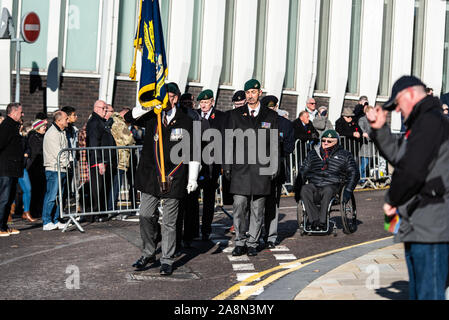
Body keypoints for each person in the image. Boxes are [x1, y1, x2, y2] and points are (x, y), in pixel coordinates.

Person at [366, 75, 449, 300]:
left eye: (398, 104)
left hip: (431, 223)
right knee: (420, 292)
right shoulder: (422, 123)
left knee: (428, 293)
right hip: (421, 222)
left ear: (410, 94)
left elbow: (412, 170)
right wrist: (380, 129)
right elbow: (400, 157)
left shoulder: (430, 122)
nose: (398, 111)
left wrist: (391, 200)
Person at [128, 88, 200, 276]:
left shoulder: (187, 121)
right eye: (162, 96)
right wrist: (148, 105)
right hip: (151, 176)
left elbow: (194, 150)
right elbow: (130, 117)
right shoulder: (153, 116)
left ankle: (167, 259)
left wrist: (192, 177)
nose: (166, 99)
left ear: (176, 99)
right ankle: (148, 252)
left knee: (170, 221)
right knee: (145, 215)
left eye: (169, 96)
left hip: (174, 176)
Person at [223, 79, 279, 257]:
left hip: (262, 169)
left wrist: (274, 166)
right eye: (247, 93)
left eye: (253, 92)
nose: (250, 95)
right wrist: (227, 166)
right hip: (240, 169)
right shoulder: (235, 114)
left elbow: (274, 144)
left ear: (259, 93)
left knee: (257, 208)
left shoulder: (270, 116)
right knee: (239, 205)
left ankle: (253, 242)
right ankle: (239, 241)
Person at [294, 129, 359, 231]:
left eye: (329, 141)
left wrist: (348, 190)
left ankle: (322, 222)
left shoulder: (345, 155)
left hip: (333, 185)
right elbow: (303, 171)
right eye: (323, 140)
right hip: (315, 185)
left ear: (336, 141)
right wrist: (297, 189)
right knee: (305, 189)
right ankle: (314, 221)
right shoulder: (312, 154)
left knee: (327, 190)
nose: (325, 143)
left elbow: (354, 173)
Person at [261, 95, 295, 248]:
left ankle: (270, 237)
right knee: (255, 204)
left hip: (276, 168)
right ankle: (254, 235)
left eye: (273, 107)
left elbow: (289, 147)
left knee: (272, 204)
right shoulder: (256, 122)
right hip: (257, 169)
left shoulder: (285, 124)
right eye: (268, 108)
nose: (271, 110)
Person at [195, 89, 226, 242]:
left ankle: (206, 228)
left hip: (212, 163)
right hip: (195, 161)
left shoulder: (220, 117)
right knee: (192, 197)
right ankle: (192, 229)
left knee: (208, 198)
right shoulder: (194, 115)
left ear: (212, 102)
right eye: (201, 103)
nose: (203, 106)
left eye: (206, 102)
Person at [41, 111, 70, 231]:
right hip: (54, 168)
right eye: (66, 119)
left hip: (61, 168)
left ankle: (56, 219)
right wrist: (67, 163)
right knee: (52, 196)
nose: (68, 121)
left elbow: (66, 150)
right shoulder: (52, 133)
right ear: (58, 121)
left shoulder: (61, 132)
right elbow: (59, 153)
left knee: (61, 196)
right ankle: (47, 221)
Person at [0, 103, 24, 237]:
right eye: (21, 112)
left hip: (13, 169)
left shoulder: (14, 126)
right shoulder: (6, 126)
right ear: (13, 112)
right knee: (3, 198)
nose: (22, 114)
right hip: (5, 169)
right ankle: (0, 226)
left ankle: (4, 225)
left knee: (9, 199)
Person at [85, 100, 110, 221]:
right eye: (103, 108)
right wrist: (99, 161)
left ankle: (98, 213)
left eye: (106, 108)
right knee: (96, 188)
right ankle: (92, 214)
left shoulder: (100, 121)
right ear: (96, 108)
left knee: (100, 188)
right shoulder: (95, 122)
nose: (105, 110)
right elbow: (95, 142)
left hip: (100, 160)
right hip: (96, 160)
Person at [108, 108, 135, 212]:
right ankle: (112, 208)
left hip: (117, 157)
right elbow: (129, 140)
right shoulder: (120, 123)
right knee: (116, 184)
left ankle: (111, 207)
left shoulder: (112, 121)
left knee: (114, 184)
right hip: (121, 158)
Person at [27, 119, 47, 219]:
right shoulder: (33, 138)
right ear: (38, 128)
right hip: (34, 168)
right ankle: (34, 211)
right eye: (43, 126)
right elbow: (36, 153)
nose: (45, 128)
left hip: (41, 167)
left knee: (42, 190)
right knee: (35, 190)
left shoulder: (44, 137)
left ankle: (39, 210)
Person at [358, 105, 374, 185]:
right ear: (367, 112)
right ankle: (361, 180)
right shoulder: (362, 119)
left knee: (368, 165)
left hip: (371, 146)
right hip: (365, 145)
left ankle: (365, 179)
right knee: (364, 164)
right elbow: (362, 130)